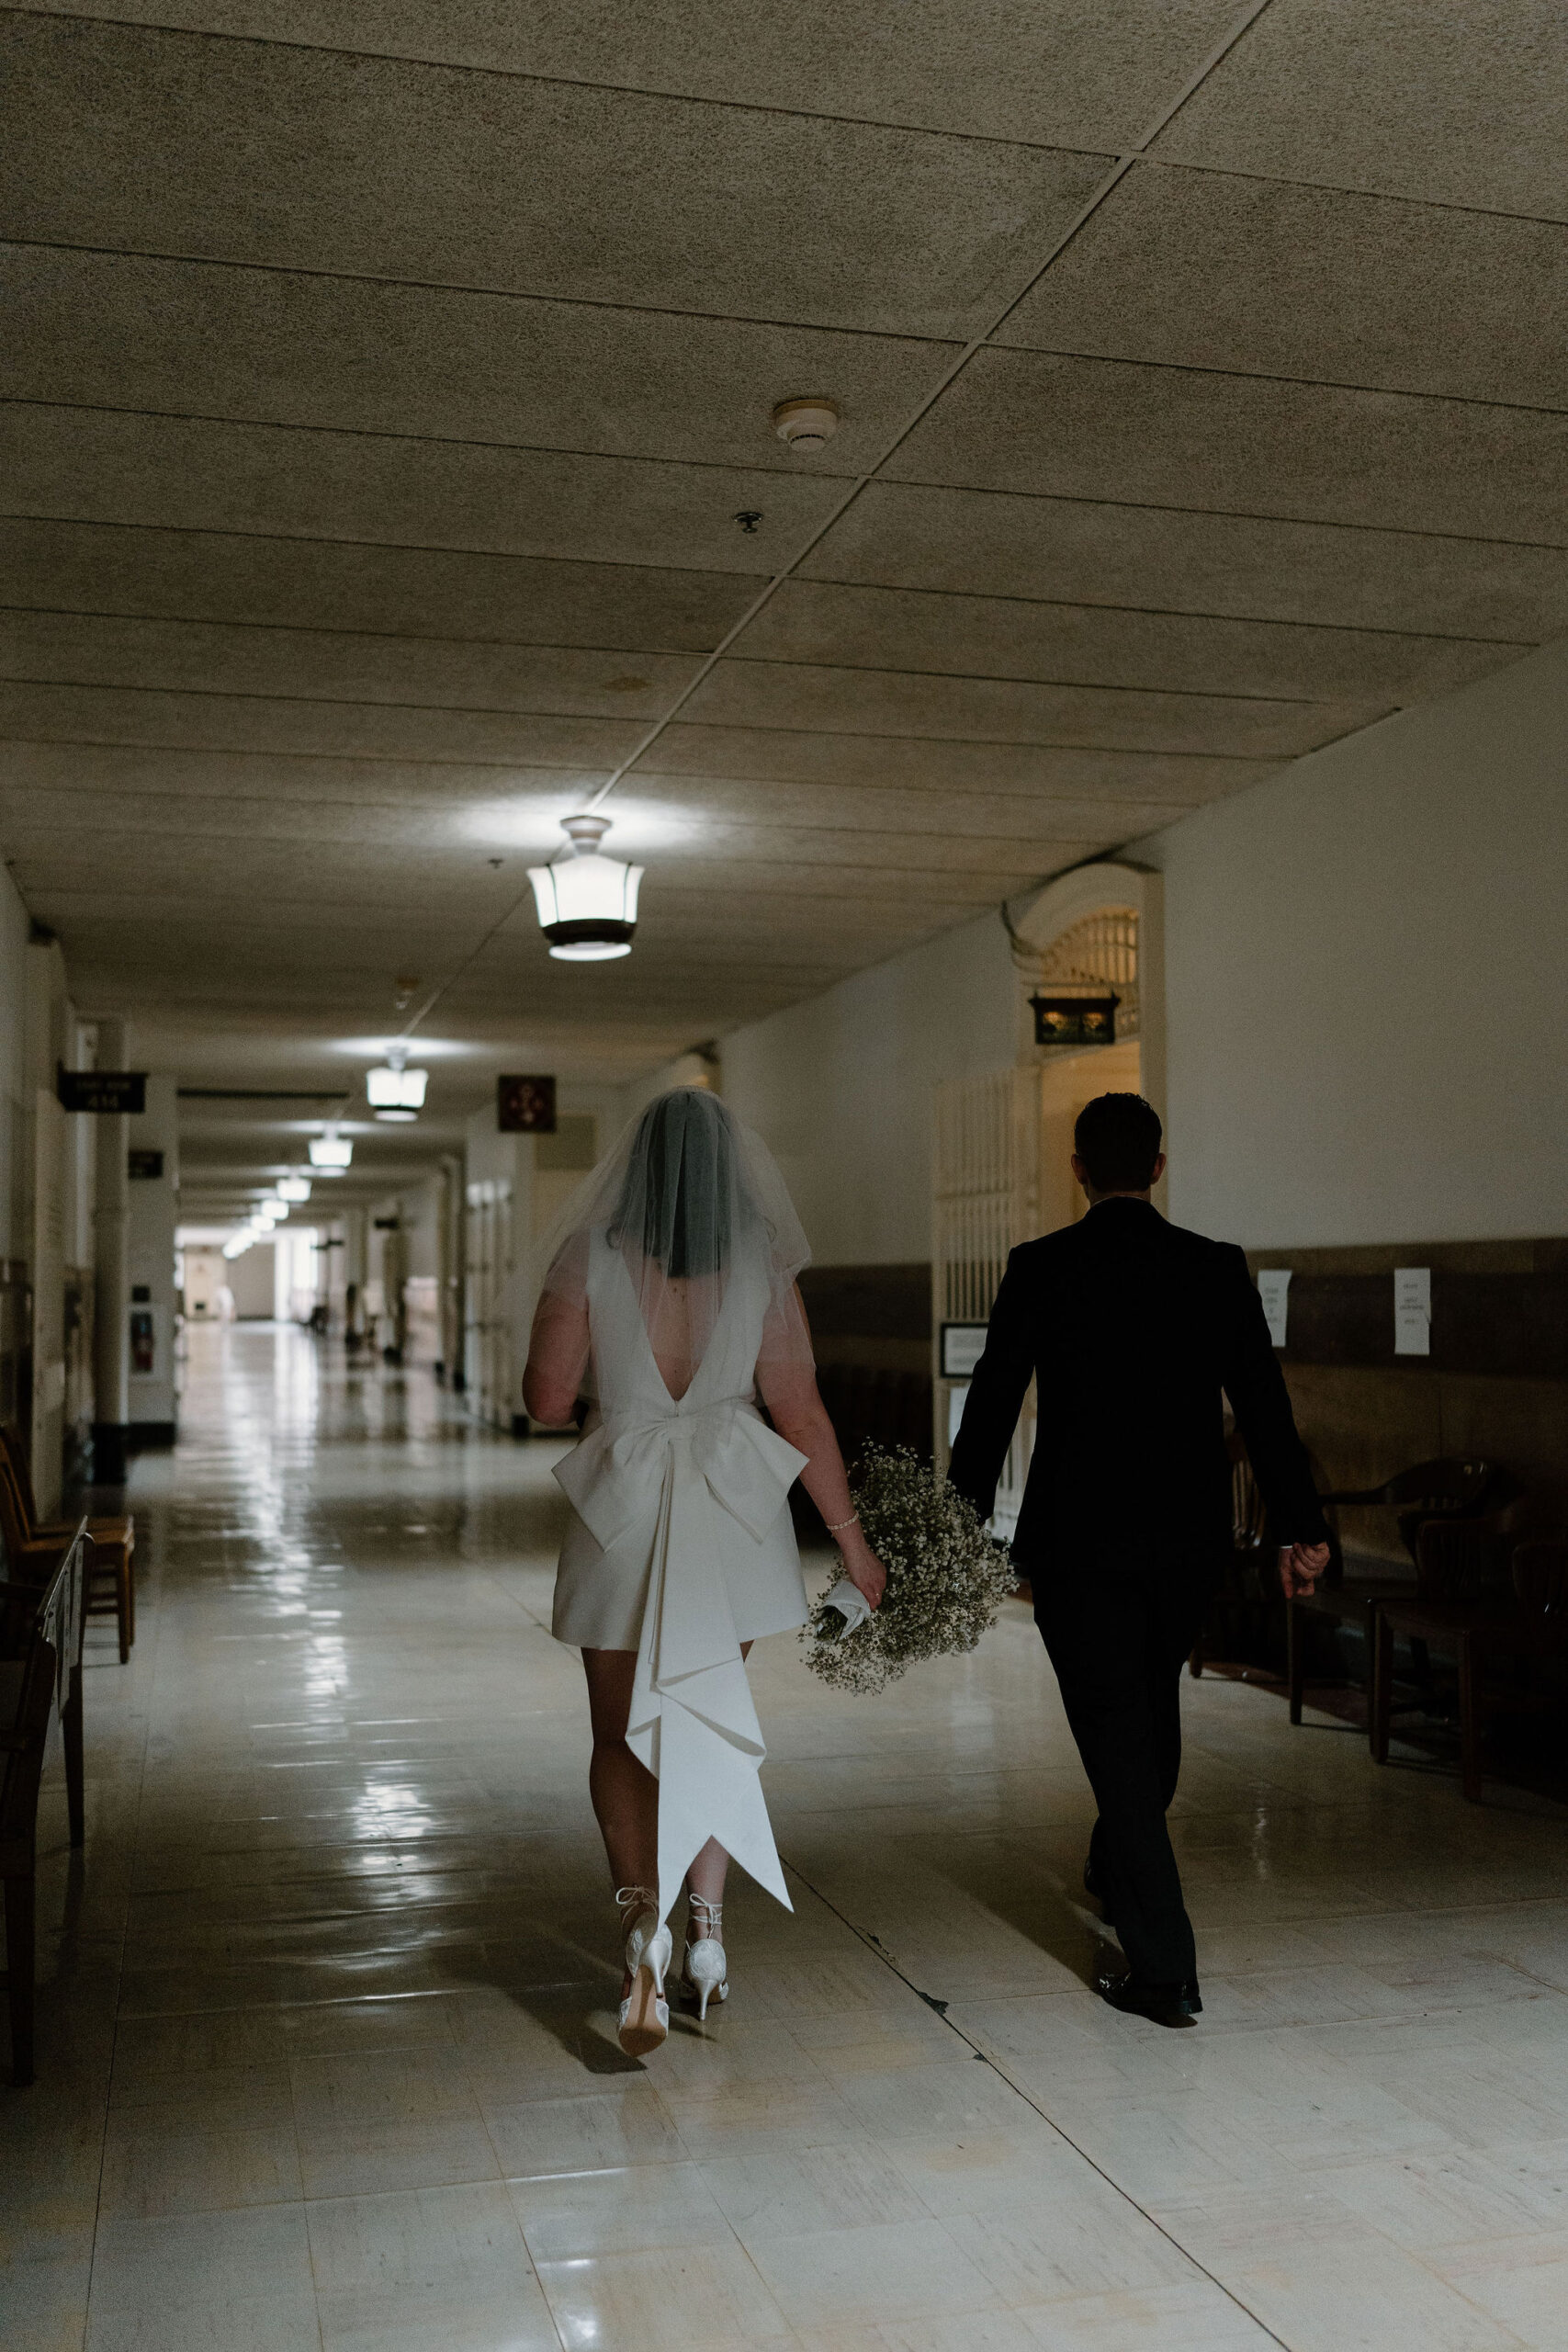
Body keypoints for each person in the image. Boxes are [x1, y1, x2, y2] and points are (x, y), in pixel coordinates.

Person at [946, 1092, 1330, 2029]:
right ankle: (1117, 1862)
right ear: (1159, 1165)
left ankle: (1165, 1968)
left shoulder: (1043, 1268)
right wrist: (1300, 1526)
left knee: (1122, 1735)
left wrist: (952, 1524)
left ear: (1078, 1168)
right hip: (1186, 1542)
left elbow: (993, 1401)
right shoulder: (1212, 1267)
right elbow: (1265, 1407)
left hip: (1078, 1544)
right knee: (1146, 1708)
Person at [523, 1088, 886, 2057]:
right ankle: (710, 1937)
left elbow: (549, 1398)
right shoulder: (763, 1262)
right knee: (706, 1713)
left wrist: (616, 1377)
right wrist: (851, 1542)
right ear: (732, 1169)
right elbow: (799, 1411)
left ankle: (641, 1924)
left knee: (618, 1736)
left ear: (636, 1168)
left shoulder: (589, 1255)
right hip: (732, 1511)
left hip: (625, 1508)